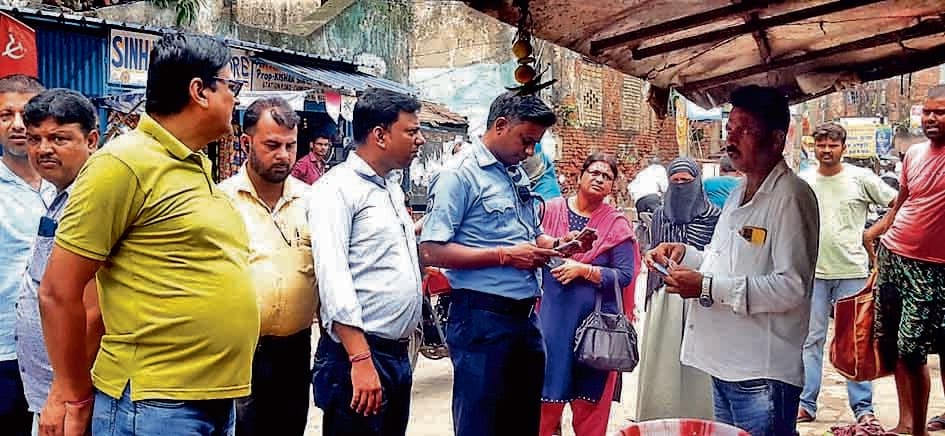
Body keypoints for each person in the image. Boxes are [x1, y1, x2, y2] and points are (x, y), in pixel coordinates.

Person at [38, 32, 259, 435]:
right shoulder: (123, 164)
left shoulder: (193, 166)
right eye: (232, 86)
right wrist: (71, 391)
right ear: (199, 91)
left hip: (211, 399)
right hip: (152, 403)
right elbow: (59, 291)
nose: (235, 99)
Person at [647, 85, 819, 436]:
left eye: (746, 130)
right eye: (730, 128)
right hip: (724, 363)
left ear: (777, 139)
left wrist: (706, 287)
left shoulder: (791, 197)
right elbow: (723, 261)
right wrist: (686, 255)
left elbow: (792, 287)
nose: (731, 139)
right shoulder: (738, 191)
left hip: (761, 373)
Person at [419, 91, 569, 436]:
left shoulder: (514, 174)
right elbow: (431, 250)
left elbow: (532, 235)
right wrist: (505, 256)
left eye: (535, 144)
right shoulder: (459, 176)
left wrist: (559, 246)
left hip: (525, 318)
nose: (529, 151)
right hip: (481, 317)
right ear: (500, 126)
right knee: (481, 425)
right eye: (525, 140)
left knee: (522, 423)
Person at [309, 88, 425, 436]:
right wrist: (360, 360)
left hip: (395, 355)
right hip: (358, 355)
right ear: (380, 135)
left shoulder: (390, 188)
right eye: (411, 131)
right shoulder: (337, 189)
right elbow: (334, 279)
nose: (419, 140)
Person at [218, 97, 314, 436]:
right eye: (272, 145)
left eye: (291, 146)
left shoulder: (311, 201)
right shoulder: (221, 201)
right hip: (240, 350)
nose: (284, 155)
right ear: (246, 144)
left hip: (296, 350)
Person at [15, 89, 102, 436]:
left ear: (91, 140)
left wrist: (66, 394)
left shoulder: (92, 200)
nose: (43, 149)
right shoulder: (60, 195)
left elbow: (93, 311)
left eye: (59, 138)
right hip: (51, 393)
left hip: (72, 399)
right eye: (34, 139)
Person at [797, 123, 895, 426]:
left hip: (852, 272)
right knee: (810, 339)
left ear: (844, 148)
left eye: (833, 145)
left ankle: (863, 408)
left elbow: (897, 203)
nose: (826, 150)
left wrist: (872, 233)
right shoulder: (804, 181)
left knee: (856, 340)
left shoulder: (861, 178)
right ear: (813, 147)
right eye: (821, 144)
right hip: (812, 273)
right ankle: (805, 404)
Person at [537, 153, 637, 436]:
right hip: (550, 325)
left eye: (607, 176)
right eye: (594, 172)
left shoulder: (616, 224)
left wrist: (585, 270)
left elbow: (625, 275)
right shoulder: (549, 212)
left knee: (590, 406)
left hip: (595, 330)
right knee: (543, 403)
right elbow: (529, 253)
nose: (599, 179)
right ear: (580, 176)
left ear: (612, 186)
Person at [865, 85, 945, 436]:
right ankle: (906, 421)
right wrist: (875, 233)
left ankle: (919, 432)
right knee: (892, 343)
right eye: (927, 111)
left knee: (913, 348)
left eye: (940, 112)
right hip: (894, 255)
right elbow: (902, 203)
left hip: (932, 266)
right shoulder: (914, 154)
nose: (931, 118)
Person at [636, 157, 720, 422]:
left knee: (699, 371)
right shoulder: (660, 215)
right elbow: (654, 249)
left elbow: (717, 260)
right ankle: (660, 419)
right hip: (665, 299)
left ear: (698, 183)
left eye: (686, 181)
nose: (681, 186)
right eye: (675, 181)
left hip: (701, 297)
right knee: (664, 366)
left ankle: (700, 421)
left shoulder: (715, 217)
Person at [0, 74, 51, 436]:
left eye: (27, 114)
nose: (18, 125)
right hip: (4, 353)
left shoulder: (71, 187)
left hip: (60, 355)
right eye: (6, 115)